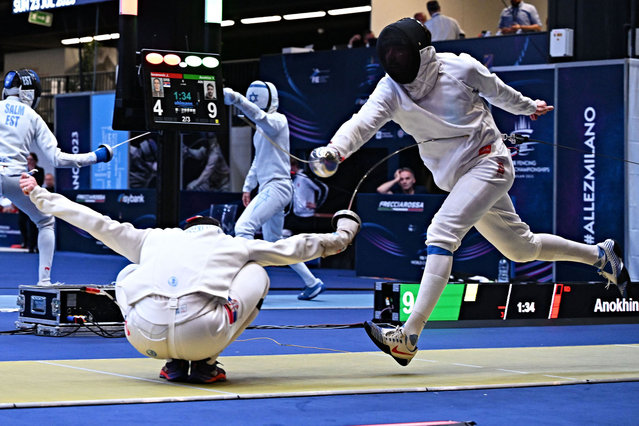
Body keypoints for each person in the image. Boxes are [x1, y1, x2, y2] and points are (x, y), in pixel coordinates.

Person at [310, 18, 629, 366]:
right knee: (521, 248)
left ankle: (409, 335)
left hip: (490, 163)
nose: (394, 59)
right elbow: (361, 123)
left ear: (421, 51)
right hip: (460, 179)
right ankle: (600, 255)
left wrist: (528, 107)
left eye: (400, 52)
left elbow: (498, 91)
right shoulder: (390, 90)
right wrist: (334, 151)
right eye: (387, 53)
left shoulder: (459, 67)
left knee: (441, 232)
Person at [19, 172, 360, 383]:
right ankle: (206, 365)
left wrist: (39, 194)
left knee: (127, 272)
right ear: (216, 230)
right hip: (201, 335)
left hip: (142, 337)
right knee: (257, 271)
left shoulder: (153, 237)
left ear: (187, 229)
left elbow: (93, 220)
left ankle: (173, 364)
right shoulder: (233, 245)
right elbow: (295, 248)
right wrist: (342, 237)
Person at [0, 68, 113, 285]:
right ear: (29, 93)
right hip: (16, 179)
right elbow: (57, 158)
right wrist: (96, 156)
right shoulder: (33, 117)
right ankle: (44, 282)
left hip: (14, 176)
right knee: (45, 222)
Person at [224, 81, 328, 300]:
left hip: (277, 187)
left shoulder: (278, 121)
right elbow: (258, 161)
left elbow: (261, 117)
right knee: (275, 244)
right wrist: (247, 187)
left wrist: (236, 98)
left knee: (243, 228)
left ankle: (240, 286)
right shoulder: (260, 130)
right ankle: (312, 282)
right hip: (268, 187)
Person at [17, 152, 44, 252]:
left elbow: (39, 183)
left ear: (35, 160)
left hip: (34, 200)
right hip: (23, 200)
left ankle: (34, 246)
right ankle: (26, 242)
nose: (29, 161)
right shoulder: (22, 171)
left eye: (31, 159)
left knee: (33, 223)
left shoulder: (40, 170)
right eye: (28, 159)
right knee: (21, 222)